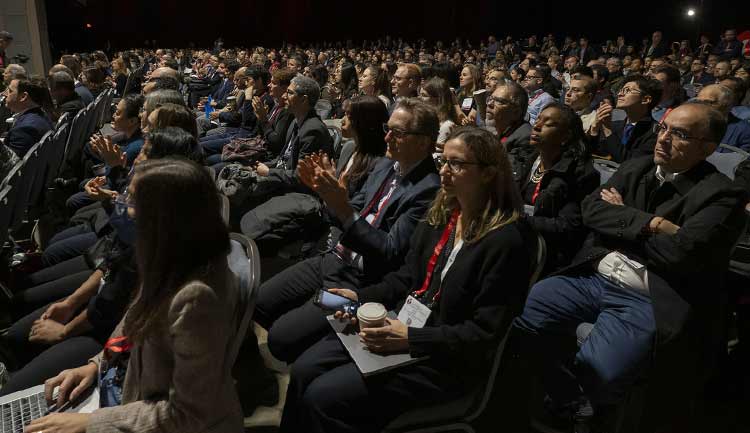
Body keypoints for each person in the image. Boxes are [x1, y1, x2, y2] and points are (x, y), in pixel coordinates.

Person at [280, 126, 533, 433]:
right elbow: (404, 279)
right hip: (402, 326)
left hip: (443, 358)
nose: (445, 172)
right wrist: (358, 297)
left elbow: (484, 334)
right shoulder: (442, 214)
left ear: (488, 174)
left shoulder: (508, 241)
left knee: (324, 397)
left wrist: (411, 339)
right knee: (306, 368)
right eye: (443, 161)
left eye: (457, 164)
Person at [514, 103, 748, 431]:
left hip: (648, 296)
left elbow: (683, 252)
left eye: (679, 134)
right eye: (663, 128)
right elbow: (592, 211)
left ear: (707, 147)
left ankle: (580, 414)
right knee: (522, 321)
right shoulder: (637, 167)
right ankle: (565, 399)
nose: (663, 139)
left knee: (600, 372)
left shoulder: (722, 194)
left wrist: (621, 219)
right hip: (593, 276)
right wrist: (654, 224)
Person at [25, 158, 244, 433]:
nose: (124, 209)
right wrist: (96, 366)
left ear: (163, 218)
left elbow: (188, 414)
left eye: (132, 202)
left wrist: (90, 423)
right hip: (126, 391)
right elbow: (133, 322)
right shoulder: (171, 259)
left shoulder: (196, 299)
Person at [253, 98, 441, 363]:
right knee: (256, 301)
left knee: (280, 340)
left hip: (358, 282)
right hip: (334, 257)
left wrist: (340, 206)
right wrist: (329, 194)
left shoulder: (428, 190)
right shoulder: (386, 165)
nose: (386, 137)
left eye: (397, 133)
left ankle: (316, 346)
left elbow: (387, 250)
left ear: (423, 142)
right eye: (388, 128)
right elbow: (350, 210)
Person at [509, 104, 599, 273]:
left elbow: (568, 226)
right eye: (538, 120)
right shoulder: (528, 158)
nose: (536, 126)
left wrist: (517, 220)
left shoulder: (579, 174)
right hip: (516, 233)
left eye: (549, 124)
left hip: (546, 250)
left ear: (565, 136)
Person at [589, 75, 662, 162]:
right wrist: (594, 128)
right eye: (621, 90)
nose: (619, 94)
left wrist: (607, 130)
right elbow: (595, 152)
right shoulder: (615, 125)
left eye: (627, 90)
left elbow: (629, 162)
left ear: (645, 99)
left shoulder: (656, 132)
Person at [1, 76, 53, 157]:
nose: (4, 94)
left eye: (10, 91)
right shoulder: (42, 114)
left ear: (23, 97)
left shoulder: (23, 130)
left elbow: (12, 167)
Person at [695, 84, 750, 151]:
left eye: (708, 102)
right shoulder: (690, 122)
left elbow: (742, 159)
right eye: (698, 102)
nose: (701, 106)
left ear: (727, 104)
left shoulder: (744, 131)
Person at [487, 81, 531, 152]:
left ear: (516, 112)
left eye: (499, 101)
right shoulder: (490, 129)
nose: (489, 104)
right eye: (490, 99)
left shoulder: (525, 137)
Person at [419, 77, 458, 148]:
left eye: (424, 95)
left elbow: (436, 156)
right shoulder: (426, 120)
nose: (419, 98)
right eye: (420, 94)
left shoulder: (446, 126)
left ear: (438, 99)